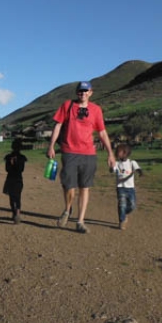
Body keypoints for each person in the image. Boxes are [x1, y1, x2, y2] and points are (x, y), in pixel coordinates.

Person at [47, 81, 116, 234]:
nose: (82, 93)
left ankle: (80, 221)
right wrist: (51, 145)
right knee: (68, 185)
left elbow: (102, 132)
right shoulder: (67, 105)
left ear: (91, 92)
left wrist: (110, 153)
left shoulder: (96, 110)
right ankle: (67, 210)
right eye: (80, 91)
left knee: (85, 187)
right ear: (77, 93)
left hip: (89, 154)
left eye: (86, 91)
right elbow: (57, 125)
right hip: (69, 151)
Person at [112, 143, 143, 230]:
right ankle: (122, 221)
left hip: (130, 189)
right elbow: (112, 170)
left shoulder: (132, 162)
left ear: (125, 153)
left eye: (118, 151)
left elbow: (137, 168)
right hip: (120, 188)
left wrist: (140, 172)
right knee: (122, 205)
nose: (116, 153)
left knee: (132, 206)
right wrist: (111, 165)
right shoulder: (117, 163)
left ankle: (124, 214)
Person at [3, 140, 28, 224]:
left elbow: (7, 169)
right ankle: (17, 214)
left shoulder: (9, 157)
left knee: (12, 198)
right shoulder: (22, 158)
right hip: (17, 179)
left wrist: (13, 164)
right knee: (17, 197)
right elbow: (21, 170)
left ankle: (15, 213)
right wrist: (13, 163)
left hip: (11, 179)